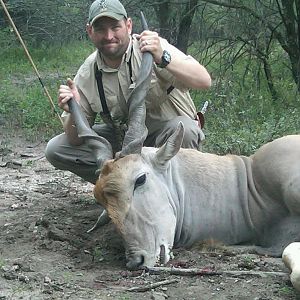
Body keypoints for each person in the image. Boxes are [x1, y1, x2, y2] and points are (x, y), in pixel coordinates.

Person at [45, 0, 211, 184]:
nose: (109, 36)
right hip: (125, 142)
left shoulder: (152, 48)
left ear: (129, 25)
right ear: (90, 31)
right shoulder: (87, 72)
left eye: (115, 27)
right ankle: (119, 188)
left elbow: (203, 80)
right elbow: (74, 140)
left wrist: (163, 57)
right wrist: (73, 110)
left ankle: (174, 196)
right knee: (57, 149)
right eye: (100, 29)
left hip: (163, 139)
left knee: (185, 130)